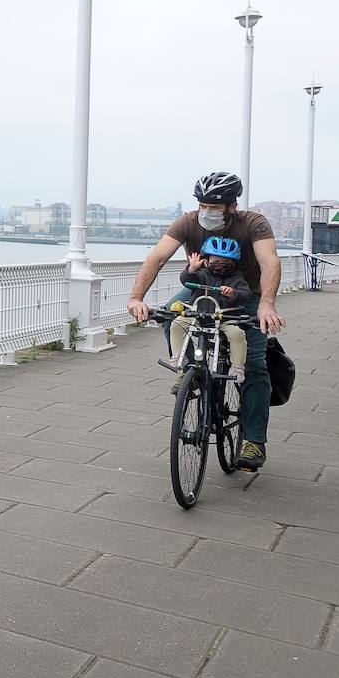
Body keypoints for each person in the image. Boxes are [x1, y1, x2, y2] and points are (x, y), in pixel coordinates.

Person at [127, 171, 285, 471]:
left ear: (232, 206)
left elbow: (269, 261)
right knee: (172, 311)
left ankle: (253, 441)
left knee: (254, 364)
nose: (207, 212)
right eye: (203, 205)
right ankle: (188, 369)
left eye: (215, 206)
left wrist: (266, 304)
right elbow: (158, 257)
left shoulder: (253, 223)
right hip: (202, 288)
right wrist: (136, 298)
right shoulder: (187, 222)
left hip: (244, 293)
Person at [168, 236, 251, 393]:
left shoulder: (236, 278)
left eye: (225, 263)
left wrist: (233, 293)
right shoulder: (201, 274)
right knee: (177, 323)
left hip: (223, 319)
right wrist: (191, 269)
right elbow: (186, 279)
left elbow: (245, 293)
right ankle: (178, 356)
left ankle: (238, 367)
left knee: (237, 334)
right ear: (206, 261)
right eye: (215, 262)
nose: (220, 266)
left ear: (233, 264)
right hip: (198, 316)